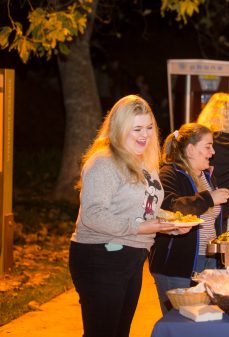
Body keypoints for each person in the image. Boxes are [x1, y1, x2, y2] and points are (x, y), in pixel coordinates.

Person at [69, 95, 188, 337]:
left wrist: (170, 223)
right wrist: (142, 228)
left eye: (149, 128)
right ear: (119, 128)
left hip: (132, 255)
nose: (145, 135)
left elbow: (147, 208)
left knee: (120, 331)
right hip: (100, 256)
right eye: (137, 128)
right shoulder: (104, 161)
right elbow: (93, 215)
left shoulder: (144, 161)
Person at [148, 123, 229, 314]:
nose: (213, 152)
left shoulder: (205, 176)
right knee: (180, 322)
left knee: (204, 321)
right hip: (178, 266)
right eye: (208, 146)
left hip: (208, 260)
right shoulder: (169, 174)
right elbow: (171, 207)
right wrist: (210, 198)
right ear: (191, 149)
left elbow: (211, 215)